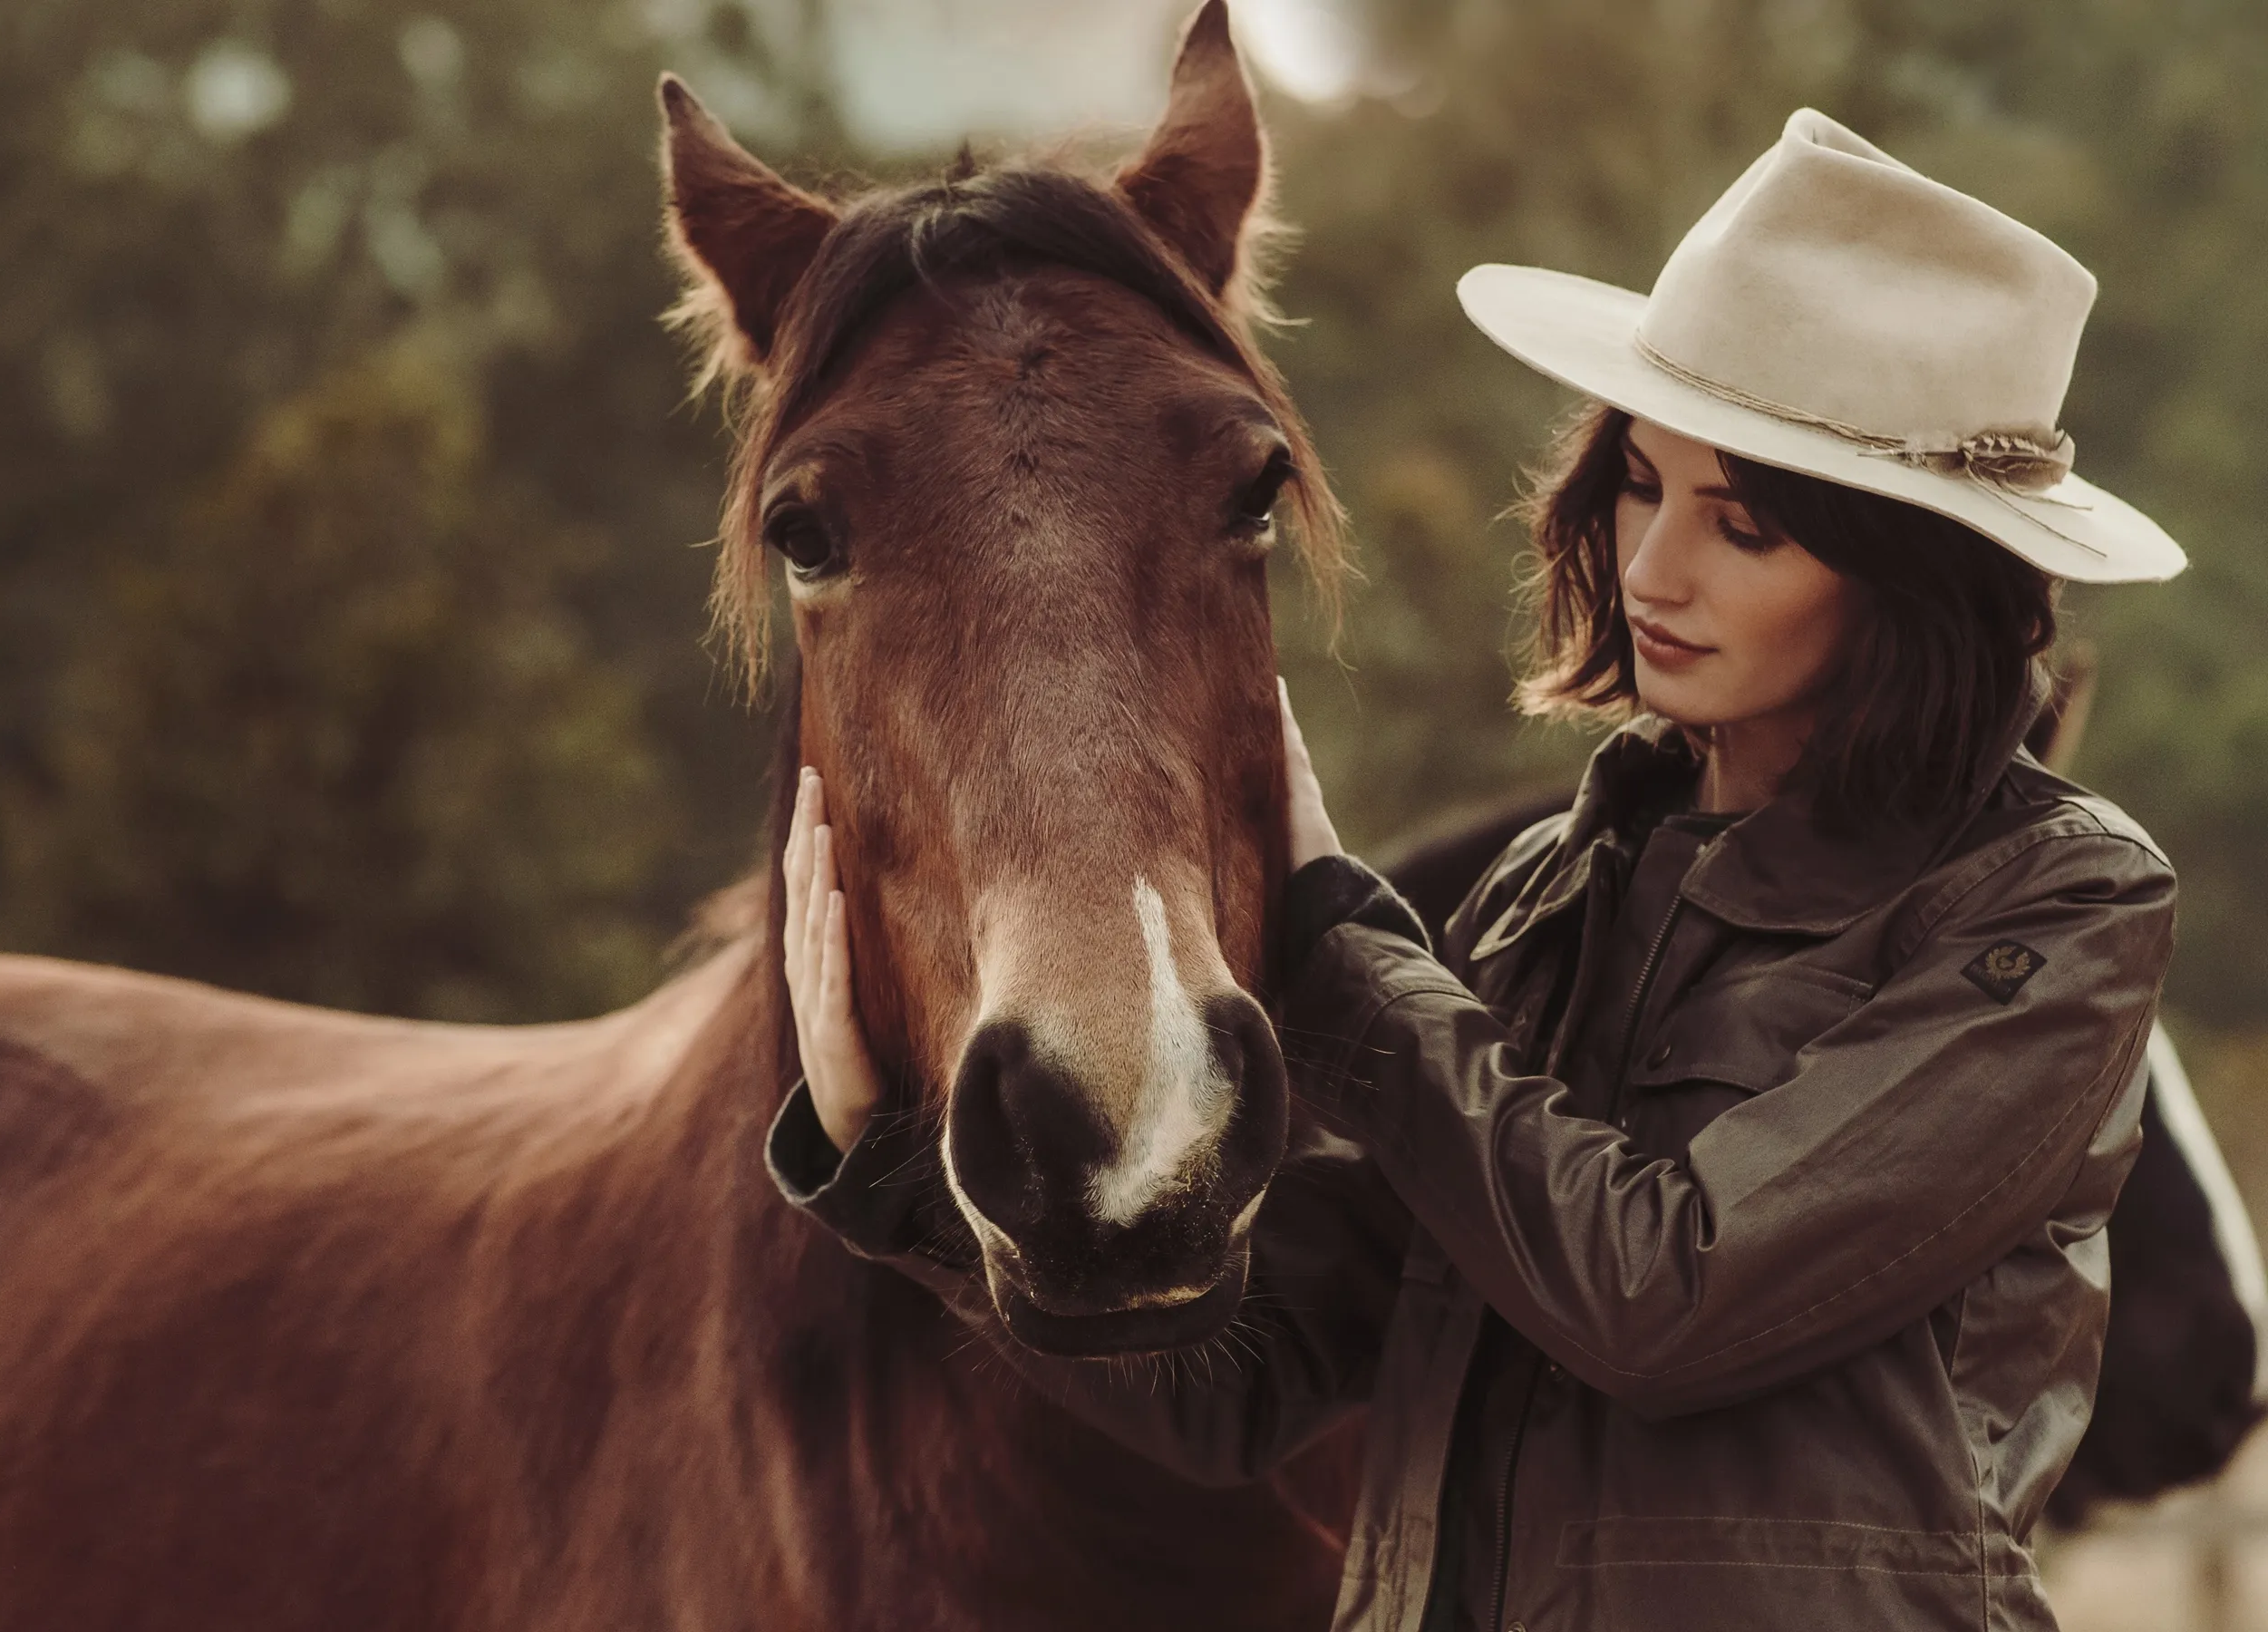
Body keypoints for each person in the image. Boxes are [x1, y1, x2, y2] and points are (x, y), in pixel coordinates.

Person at [765, 110, 2186, 1632]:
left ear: (1913, 577)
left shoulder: (2054, 910)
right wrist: (904, 1177)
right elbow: (1245, 1393)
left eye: (1747, 527)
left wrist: (1337, 944)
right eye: (1641, 485)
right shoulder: (1551, 895)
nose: (1649, 572)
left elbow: (1665, 1297)